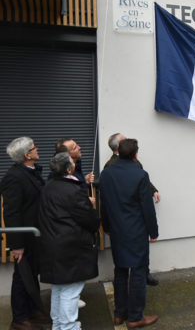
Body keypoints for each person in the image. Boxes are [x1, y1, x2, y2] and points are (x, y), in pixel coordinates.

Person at [100, 139, 159, 328]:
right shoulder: (140, 175)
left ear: (118, 151)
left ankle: (120, 314)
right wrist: (153, 231)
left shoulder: (106, 173)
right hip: (136, 231)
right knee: (138, 272)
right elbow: (147, 208)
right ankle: (135, 317)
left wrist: (106, 226)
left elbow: (104, 204)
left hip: (117, 230)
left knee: (120, 270)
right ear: (135, 154)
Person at [38, 152, 99, 330]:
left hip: (53, 244)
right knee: (70, 292)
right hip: (71, 248)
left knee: (59, 289)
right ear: (69, 169)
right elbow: (89, 220)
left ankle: (58, 325)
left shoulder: (48, 187)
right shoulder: (73, 190)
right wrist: (91, 208)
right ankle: (68, 327)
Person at [0, 137, 50, 330]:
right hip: (24, 237)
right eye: (34, 147)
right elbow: (11, 213)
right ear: (27, 155)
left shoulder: (32, 172)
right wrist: (17, 245)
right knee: (21, 277)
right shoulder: (14, 177)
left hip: (35, 235)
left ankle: (33, 310)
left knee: (31, 273)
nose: (37, 149)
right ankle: (20, 319)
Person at [104, 133, 160, 286]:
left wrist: (153, 190)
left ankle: (144, 274)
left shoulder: (132, 162)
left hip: (128, 222)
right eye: (124, 140)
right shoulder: (110, 166)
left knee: (136, 263)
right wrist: (153, 231)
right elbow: (108, 199)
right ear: (119, 146)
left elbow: (141, 178)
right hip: (127, 221)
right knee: (128, 265)